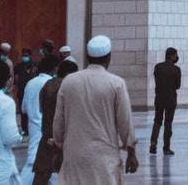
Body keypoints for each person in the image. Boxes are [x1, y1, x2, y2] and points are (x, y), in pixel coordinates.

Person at [50, 35, 139, 185]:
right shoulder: (116, 83)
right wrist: (131, 151)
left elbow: (59, 120)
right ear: (108, 58)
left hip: (74, 154)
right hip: (104, 157)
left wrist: (58, 150)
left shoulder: (69, 81)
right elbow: (125, 121)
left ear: (87, 57)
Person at [31, 60, 78, 185]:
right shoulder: (67, 86)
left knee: (42, 172)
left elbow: (41, 108)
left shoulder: (47, 84)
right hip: (64, 136)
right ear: (69, 74)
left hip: (47, 134)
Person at [18, 55, 57, 185]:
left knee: (34, 162)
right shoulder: (52, 84)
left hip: (34, 129)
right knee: (44, 165)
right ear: (54, 69)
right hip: (48, 130)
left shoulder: (31, 83)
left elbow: (23, 108)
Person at [149, 48, 180, 155]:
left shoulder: (158, 67)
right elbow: (177, 86)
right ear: (171, 56)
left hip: (159, 98)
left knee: (157, 120)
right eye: (176, 55)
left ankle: (153, 142)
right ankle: (166, 147)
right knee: (168, 123)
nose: (177, 57)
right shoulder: (176, 69)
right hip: (171, 99)